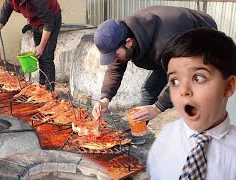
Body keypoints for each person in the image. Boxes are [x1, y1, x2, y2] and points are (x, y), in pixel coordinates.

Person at [92, 6, 217, 144]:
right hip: (170, 49)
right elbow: (115, 68)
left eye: (114, 54)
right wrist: (105, 98)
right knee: (149, 89)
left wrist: (158, 107)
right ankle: (138, 132)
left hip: (203, 39)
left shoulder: (166, 42)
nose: (113, 59)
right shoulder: (122, 33)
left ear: (128, 43)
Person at [147, 28, 236, 179]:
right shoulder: (165, 139)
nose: (183, 91)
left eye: (199, 78)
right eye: (174, 81)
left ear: (228, 86)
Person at [0, 0, 61, 90]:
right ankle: (42, 89)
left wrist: (41, 45)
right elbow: (4, 14)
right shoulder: (11, 1)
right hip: (37, 22)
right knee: (40, 56)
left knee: (46, 57)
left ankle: (50, 92)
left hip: (51, 18)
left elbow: (48, 22)